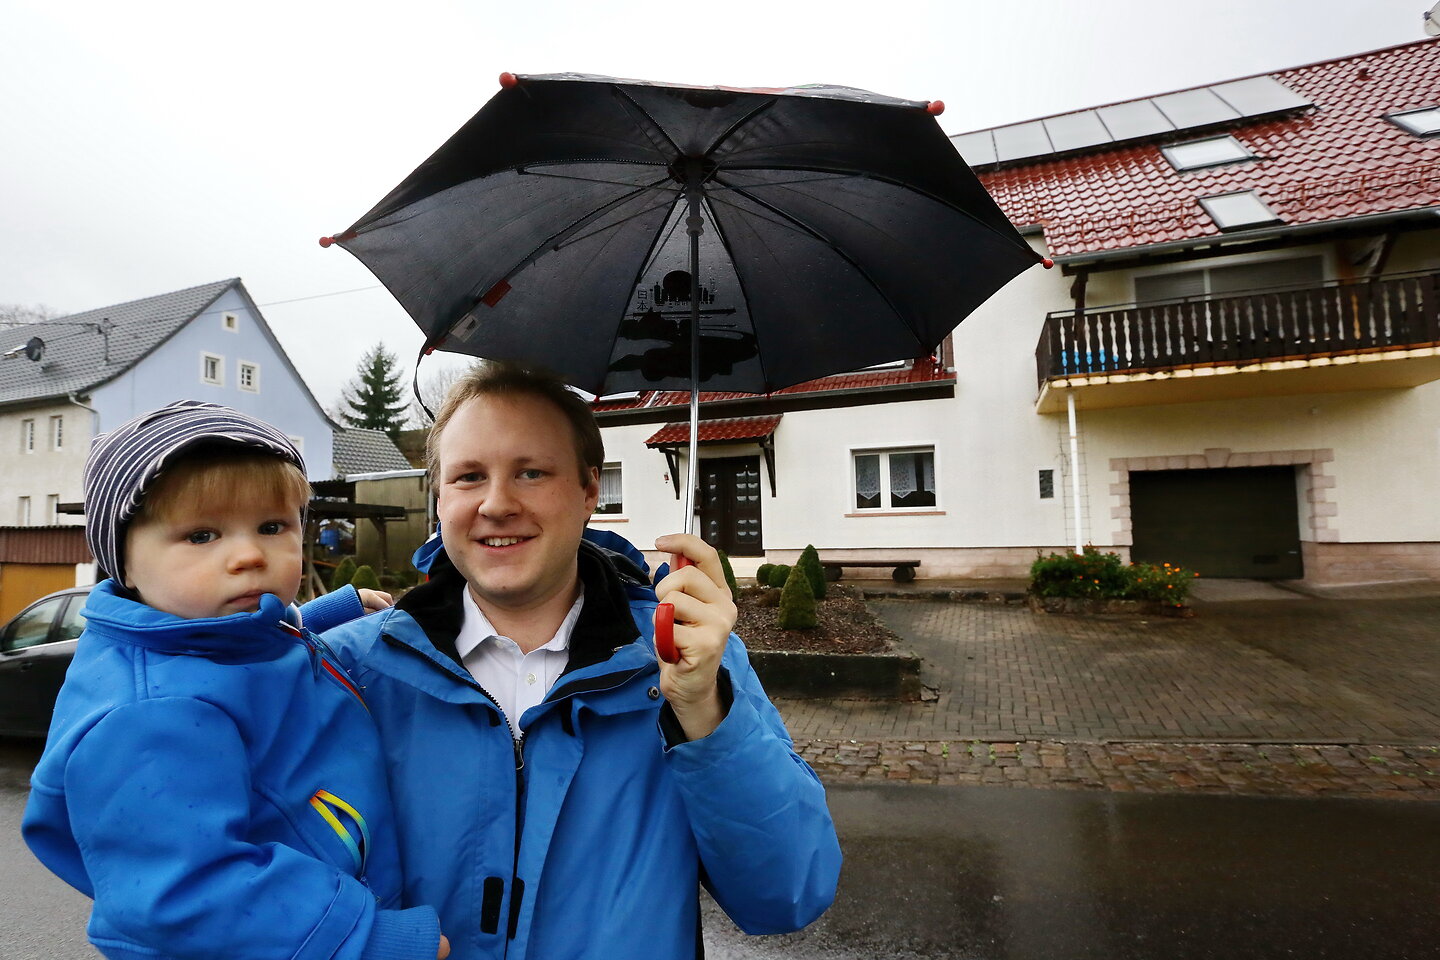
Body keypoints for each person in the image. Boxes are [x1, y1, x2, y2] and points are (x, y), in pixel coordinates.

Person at [322, 362, 841, 960]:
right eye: (468, 477)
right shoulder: (350, 674)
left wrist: (703, 711)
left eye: (531, 472)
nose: (496, 503)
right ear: (438, 498)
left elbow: (787, 894)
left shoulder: (685, 661)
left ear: (590, 489)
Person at [22, 400, 448, 960]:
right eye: (202, 535)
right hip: (307, 940)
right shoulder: (150, 714)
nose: (248, 554)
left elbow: (278, 631)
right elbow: (191, 892)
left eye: (271, 526)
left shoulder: (206, 631)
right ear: (123, 560)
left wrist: (339, 605)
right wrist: (372, 942)